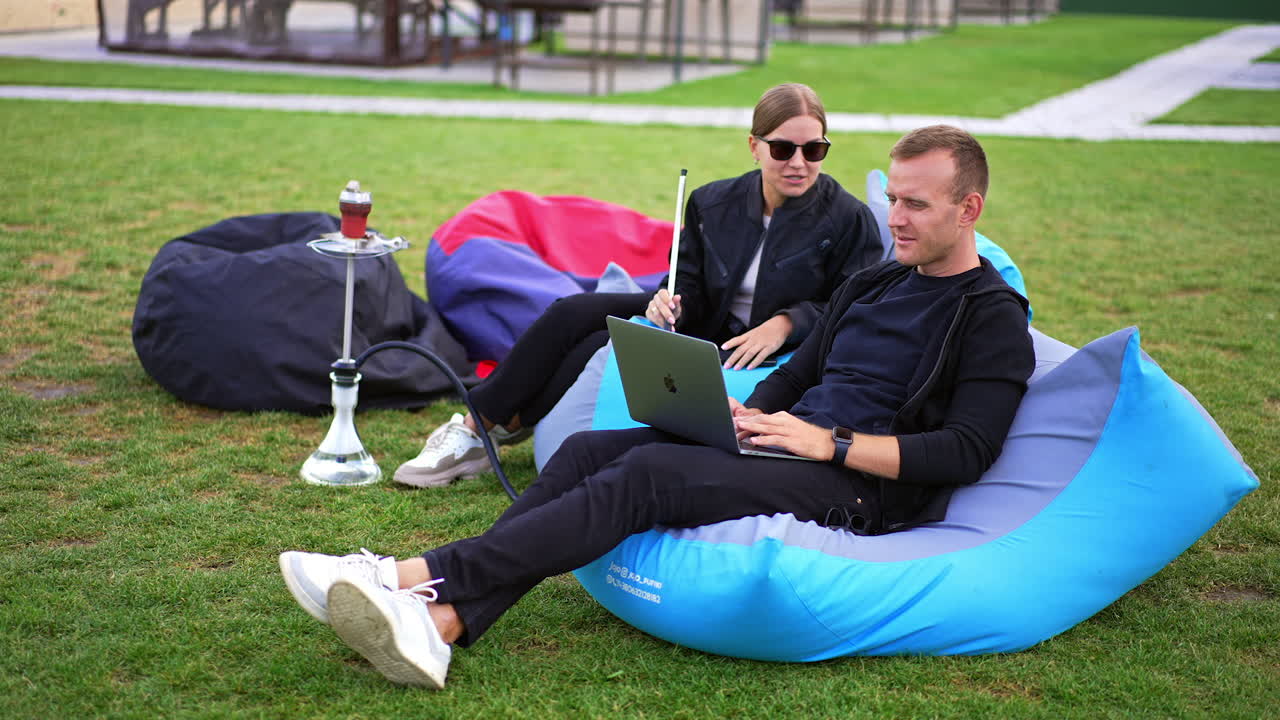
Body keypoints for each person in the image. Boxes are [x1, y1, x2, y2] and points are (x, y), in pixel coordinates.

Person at [279, 125, 1035, 689]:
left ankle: (410, 578)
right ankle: (444, 621)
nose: (896, 218)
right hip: (785, 440)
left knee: (647, 477)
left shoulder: (992, 315)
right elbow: (798, 372)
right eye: (894, 200)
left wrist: (826, 445)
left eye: (917, 205)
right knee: (584, 452)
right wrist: (748, 415)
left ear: (969, 208)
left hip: (861, 483)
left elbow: (968, 450)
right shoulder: (875, 280)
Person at [393, 82, 883, 488]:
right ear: (754, 146)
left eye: (814, 149)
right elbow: (687, 278)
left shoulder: (848, 219)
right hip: (705, 319)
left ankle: (500, 426)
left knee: (596, 345)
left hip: (761, 348)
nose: (799, 162)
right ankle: (475, 428)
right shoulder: (713, 201)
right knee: (573, 313)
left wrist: (785, 323)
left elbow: (849, 306)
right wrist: (672, 301)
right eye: (783, 148)